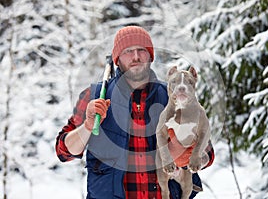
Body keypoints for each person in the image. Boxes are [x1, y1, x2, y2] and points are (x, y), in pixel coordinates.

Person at [55, 25, 214, 199]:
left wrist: (186, 155)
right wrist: (87, 126)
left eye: (141, 50)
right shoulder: (94, 97)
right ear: (117, 59)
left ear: (150, 56)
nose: (136, 57)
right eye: (128, 51)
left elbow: (207, 152)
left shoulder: (173, 98)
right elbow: (64, 151)